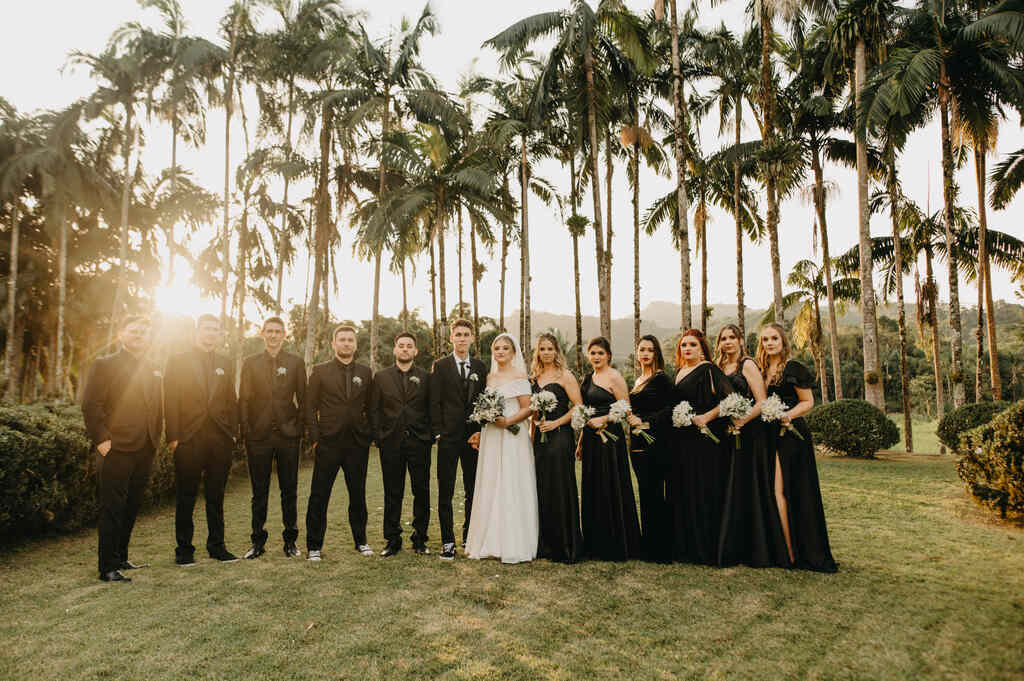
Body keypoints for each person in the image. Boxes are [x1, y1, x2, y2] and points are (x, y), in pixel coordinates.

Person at [81, 315, 163, 582]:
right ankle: (107, 567)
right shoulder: (104, 365)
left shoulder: (152, 367)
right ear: (121, 335)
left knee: (132, 505)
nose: (139, 335)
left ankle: (122, 557)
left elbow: (155, 407)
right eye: (134, 331)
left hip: (145, 447)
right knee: (113, 507)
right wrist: (103, 442)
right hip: (116, 448)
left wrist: (155, 438)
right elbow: (91, 405)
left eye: (144, 331)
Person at [757, 322, 838, 572]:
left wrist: (787, 416)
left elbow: (808, 402)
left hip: (791, 435)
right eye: (765, 340)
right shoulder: (761, 371)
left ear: (783, 341)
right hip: (769, 435)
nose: (769, 343)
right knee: (775, 491)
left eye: (773, 338)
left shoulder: (793, 368)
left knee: (785, 490)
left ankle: (794, 554)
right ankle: (785, 550)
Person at [165, 313, 240, 565]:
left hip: (220, 438)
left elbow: (231, 400)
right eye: (206, 328)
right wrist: (173, 437)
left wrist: (233, 433)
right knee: (186, 497)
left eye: (215, 329)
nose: (211, 333)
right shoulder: (178, 361)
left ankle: (217, 547)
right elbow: (171, 400)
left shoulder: (225, 363)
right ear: (197, 331)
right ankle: (184, 551)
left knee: (216, 496)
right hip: (189, 438)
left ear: (220, 334)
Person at [660, 329, 735, 565]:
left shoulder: (710, 370)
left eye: (692, 344)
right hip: (680, 441)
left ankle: (706, 547)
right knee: (683, 490)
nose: (687, 349)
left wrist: (707, 417)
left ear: (702, 348)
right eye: (683, 345)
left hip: (704, 441)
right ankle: (685, 547)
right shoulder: (680, 372)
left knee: (703, 490)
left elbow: (731, 400)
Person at [464, 333, 539, 564]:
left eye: (505, 348)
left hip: (512, 436)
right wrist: (486, 419)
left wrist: (508, 421)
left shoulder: (519, 376)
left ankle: (514, 541)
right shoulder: (489, 377)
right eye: (497, 348)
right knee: (491, 481)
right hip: (492, 435)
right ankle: (489, 539)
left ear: (513, 352)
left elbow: (528, 408)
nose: (500, 352)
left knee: (511, 481)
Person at [304, 325, 374, 561]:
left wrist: (368, 435)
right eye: (342, 339)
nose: (346, 343)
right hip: (328, 443)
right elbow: (309, 407)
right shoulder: (320, 371)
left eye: (350, 340)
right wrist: (315, 439)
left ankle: (361, 541)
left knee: (358, 495)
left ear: (355, 344)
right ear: (333, 344)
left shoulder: (365, 372)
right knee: (319, 495)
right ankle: (314, 546)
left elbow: (371, 407)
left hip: (356, 444)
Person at [239, 316, 306, 560]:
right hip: (258, 436)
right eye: (270, 331)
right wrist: (246, 430)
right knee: (259, 492)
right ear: (262, 334)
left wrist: (298, 427)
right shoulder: (251, 363)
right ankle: (257, 542)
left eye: (278, 331)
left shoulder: (296, 363)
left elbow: (304, 398)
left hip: (288, 436)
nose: (274, 335)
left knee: (290, 490)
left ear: (284, 334)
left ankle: (291, 542)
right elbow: (244, 399)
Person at [714, 324, 776, 568]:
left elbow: (762, 401)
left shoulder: (747, 365)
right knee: (727, 486)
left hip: (748, 433)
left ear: (740, 340)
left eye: (732, 338)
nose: (728, 342)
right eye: (723, 338)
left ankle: (754, 547)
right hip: (725, 433)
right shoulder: (718, 367)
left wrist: (741, 420)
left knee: (747, 485)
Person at [369, 333, 433, 557]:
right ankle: (392, 540)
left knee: (421, 491)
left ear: (415, 351)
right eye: (401, 346)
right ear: (395, 350)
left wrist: (430, 435)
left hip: (419, 442)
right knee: (392, 492)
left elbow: (431, 408)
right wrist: (379, 437)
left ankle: (420, 539)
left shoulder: (426, 377)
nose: (405, 349)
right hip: (391, 443)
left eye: (409, 346)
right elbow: (374, 410)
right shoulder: (381, 377)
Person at [578, 337, 642, 561]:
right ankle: (595, 542)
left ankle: (615, 543)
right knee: (593, 486)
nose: (596, 357)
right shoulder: (588, 378)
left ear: (608, 356)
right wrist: (580, 442)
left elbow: (625, 408)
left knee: (609, 484)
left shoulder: (614, 376)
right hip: (591, 440)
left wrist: (603, 420)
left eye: (600, 353)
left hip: (610, 439)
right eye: (593, 353)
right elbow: (583, 409)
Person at [429, 319, 488, 560]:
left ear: (473, 338)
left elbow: (485, 400)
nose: (462, 338)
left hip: (473, 437)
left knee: (473, 488)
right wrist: (438, 431)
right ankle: (447, 542)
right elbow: (434, 400)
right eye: (458, 334)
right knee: (447, 489)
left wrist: (482, 430)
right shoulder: (440, 366)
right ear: (451, 338)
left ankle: (469, 536)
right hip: (449, 437)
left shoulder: (480, 366)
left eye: (466, 334)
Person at [529, 333, 584, 563]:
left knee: (560, 486)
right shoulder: (534, 377)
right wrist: (532, 433)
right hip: (539, 440)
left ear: (557, 351)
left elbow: (579, 407)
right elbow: (531, 413)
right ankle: (545, 545)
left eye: (550, 348)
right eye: (542, 349)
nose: (546, 352)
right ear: (538, 352)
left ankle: (565, 544)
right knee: (542, 487)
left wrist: (556, 422)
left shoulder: (565, 376)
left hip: (560, 437)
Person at [626, 335, 673, 562]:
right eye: (642, 349)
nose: (645, 353)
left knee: (655, 493)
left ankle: (662, 549)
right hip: (636, 443)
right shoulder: (637, 381)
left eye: (650, 350)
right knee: (644, 492)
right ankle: (648, 544)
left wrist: (646, 422)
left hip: (656, 442)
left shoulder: (661, 379)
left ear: (656, 354)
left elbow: (671, 409)